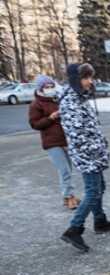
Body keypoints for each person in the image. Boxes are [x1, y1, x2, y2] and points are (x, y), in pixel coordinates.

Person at [59, 64, 110, 252]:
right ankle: (74, 228)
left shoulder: (81, 98)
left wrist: (101, 143)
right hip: (87, 155)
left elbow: (90, 127)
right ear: (76, 79)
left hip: (94, 153)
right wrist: (95, 149)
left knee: (100, 187)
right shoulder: (70, 102)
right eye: (86, 78)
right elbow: (77, 134)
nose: (89, 82)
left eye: (90, 77)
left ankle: (100, 220)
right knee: (93, 191)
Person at [29, 74, 80, 210]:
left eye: (52, 86)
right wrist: (50, 118)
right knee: (64, 170)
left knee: (68, 169)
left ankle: (69, 195)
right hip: (51, 142)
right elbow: (34, 124)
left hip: (65, 139)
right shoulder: (36, 104)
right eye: (47, 87)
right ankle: (69, 197)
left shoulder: (57, 99)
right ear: (41, 88)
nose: (50, 88)